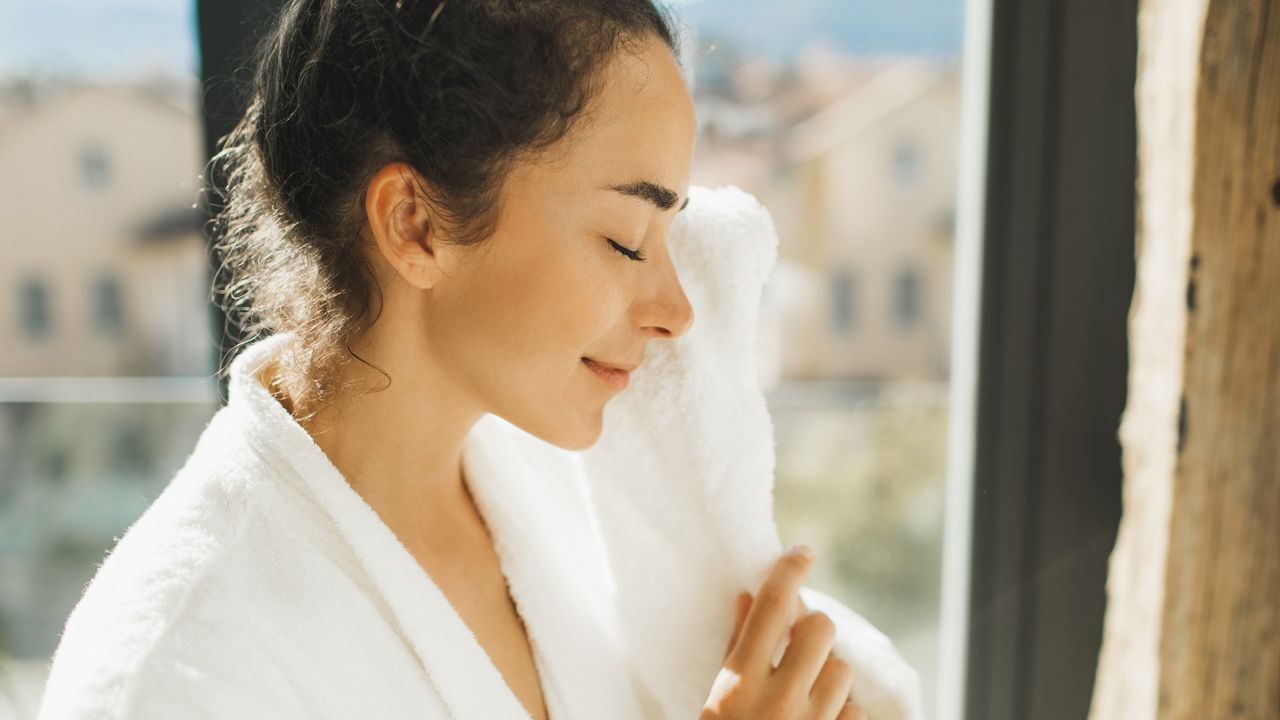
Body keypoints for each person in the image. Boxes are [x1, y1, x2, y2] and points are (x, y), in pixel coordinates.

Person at [37, 1, 891, 718]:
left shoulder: (553, 491)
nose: (677, 313)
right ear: (416, 224)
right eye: (628, 241)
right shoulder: (179, 668)